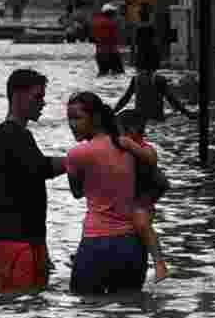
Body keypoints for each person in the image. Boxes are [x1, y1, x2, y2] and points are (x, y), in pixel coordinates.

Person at [0, 69, 67, 293]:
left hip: (29, 237)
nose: (42, 103)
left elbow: (30, 190)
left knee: (31, 308)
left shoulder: (19, 135)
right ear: (18, 96)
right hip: (14, 240)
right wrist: (76, 161)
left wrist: (42, 245)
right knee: (18, 307)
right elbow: (41, 168)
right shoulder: (9, 134)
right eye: (37, 97)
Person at [65, 92, 147, 295]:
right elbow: (159, 183)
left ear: (96, 118)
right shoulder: (128, 146)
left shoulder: (77, 154)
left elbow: (77, 192)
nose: (72, 124)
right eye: (69, 119)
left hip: (96, 244)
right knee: (130, 313)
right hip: (133, 245)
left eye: (77, 118)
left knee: (87, 311)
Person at [116, 110, 171, 282]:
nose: (118, 136)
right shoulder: (121, 150)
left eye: (120, 132)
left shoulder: (146, 149)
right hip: (128, 201)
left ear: (131, 131)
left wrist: (130, 145)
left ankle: (159, 264)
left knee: (141, 223)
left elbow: (151, 159)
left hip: (143, 202)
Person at [113, 46, 196, 123]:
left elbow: (125, 99)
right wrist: (188, 114)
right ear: (156, 63)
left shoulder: (136, 79)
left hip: (139, 120)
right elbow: (172, 100)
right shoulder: (159, 79)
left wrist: (113, 112)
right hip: (156, 118)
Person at [92, 4, 124, 76]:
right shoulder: (112, 24)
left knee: (102, 74)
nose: (114, 14)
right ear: (109, 13)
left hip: (100, 54)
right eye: (113, 12)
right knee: (119, 74)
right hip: (112, 53)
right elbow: (116, 38)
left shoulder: (96, 23)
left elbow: (93, 38)